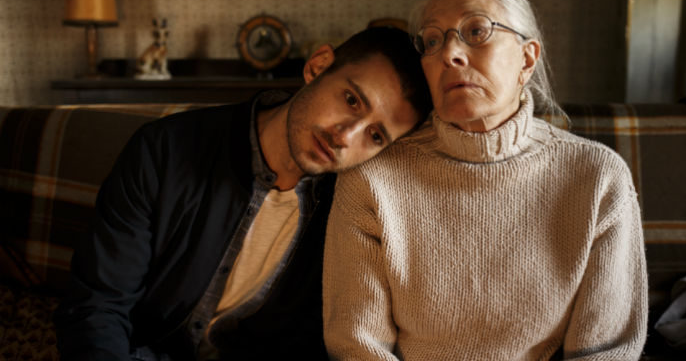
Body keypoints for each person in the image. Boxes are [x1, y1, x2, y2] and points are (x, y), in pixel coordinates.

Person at [323, 0, 648, 360]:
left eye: (476, 31)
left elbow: (607, 351)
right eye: (431, 41)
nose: (449, 54)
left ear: (527, 59)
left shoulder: (597, 176)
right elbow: (357, 345)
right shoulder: (373, 178)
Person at [54, 27, 432, 361]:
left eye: (376, 135)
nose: (346, 137)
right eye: (351, 100)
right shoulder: (165, 149)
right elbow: (97, 304)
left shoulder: (352, 210)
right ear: (318, 66)